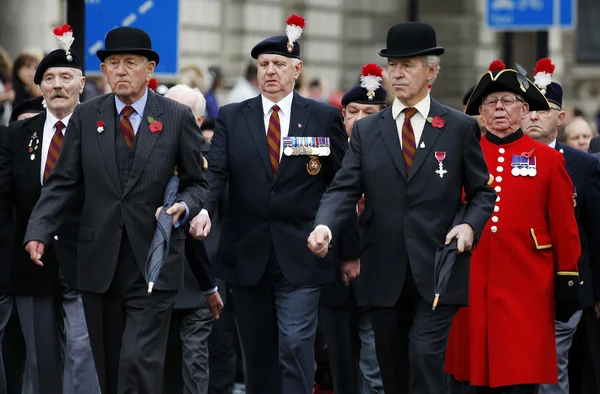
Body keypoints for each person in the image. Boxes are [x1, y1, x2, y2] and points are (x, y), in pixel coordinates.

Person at [308, 21, 496, 394]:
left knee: (425, 358)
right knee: (391, 367)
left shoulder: (458, 127)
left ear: (431, 71)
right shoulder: (367, 130)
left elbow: (483, 192)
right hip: (383, 269)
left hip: (437, 267)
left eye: (407, 64)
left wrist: (469, 227)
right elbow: (343, 188)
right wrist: (325, 227)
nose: (397, 73)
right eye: (392, 65)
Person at [22, 26, 209, 394]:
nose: (120, 71)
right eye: (112, 63)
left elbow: (197, 183)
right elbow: (63, 181)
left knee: (137, 362)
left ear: (150, 68)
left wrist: (184, 207)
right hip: (98, 261)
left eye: (130, 62)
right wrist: (39, 229)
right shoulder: (86, 117)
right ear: (103, 71)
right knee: (109, 367)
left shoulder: (175, 117)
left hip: (153, 260)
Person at [189, 14, 353, 394]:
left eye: (279, 64)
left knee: (296, 345)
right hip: (247, 253)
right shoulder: (233, 116)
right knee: (258, 353)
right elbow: (215, 174)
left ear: (297, 70)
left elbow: (340, 185)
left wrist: (348, 251)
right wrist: (203, 211)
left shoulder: (323, 117)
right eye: (264, 65)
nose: (271, 72)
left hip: (303, 251)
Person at [458, 60, 581, 393]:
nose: (499, 108)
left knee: (520, 379)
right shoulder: (462, 155)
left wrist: (567, 279)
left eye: (508, 101)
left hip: (527, 287)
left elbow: (564, 226)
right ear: (480, 112)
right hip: (471, 284)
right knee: (469, 378)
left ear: (525, 109)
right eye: (491, 102)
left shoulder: (548, 159)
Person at [0, 27, 101, 394]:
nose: (57, 85)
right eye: (49, 78)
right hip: (31, 264)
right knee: (42, 364)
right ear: (39, 86)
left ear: (81, 84)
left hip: (86, 260)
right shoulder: (16, 136)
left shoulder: (100, 131)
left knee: (83, 355)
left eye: (65, 77)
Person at [521, 59, 600, 394]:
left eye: (544, 108)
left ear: (561, 117)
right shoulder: (503, 158)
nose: (535, 116)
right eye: (529, 109)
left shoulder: (582, 164)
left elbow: (594, 231)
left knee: (556, 370)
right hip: (519, 286)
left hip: (568, 287)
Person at [318, 63, 386, 394]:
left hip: (379, 278)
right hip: (334, 279)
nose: (359, 119)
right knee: (341, 368)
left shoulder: (396, 157)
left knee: (376, 372)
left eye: (369, 112)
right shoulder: (325, 155)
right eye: (352, 111)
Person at [161, 84, 222, 394]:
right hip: (157, 276)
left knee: (194, 363)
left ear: (199, 120)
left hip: (200, 277)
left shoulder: (215, 159)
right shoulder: (151, 154)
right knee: (160, 363)